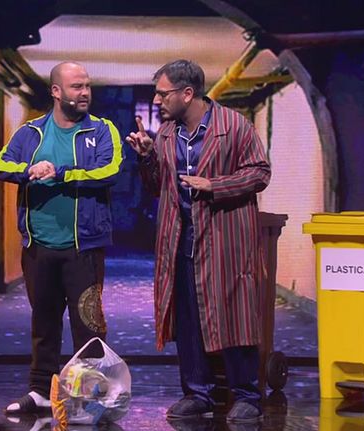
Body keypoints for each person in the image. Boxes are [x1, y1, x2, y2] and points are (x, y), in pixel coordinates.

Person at [126, 59, 271, 424]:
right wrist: (147, 157)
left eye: (163, 94)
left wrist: (215, 185)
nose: (157, 101)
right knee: (188, 319)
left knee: (233, 314)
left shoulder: (233, 126)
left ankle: (247, 395)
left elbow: (259, 172)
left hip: (224, 238)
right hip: (181, 238)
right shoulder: (166, 134)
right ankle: (197, 393)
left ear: (187, 93)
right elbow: (157, 187)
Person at [0, 61, 123, 414]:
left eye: (87, 86)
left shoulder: (102, 130)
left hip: (84, 247)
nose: (85, 93)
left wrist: (60, 173)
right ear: (56, 91)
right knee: (44, 322)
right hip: (39, 247)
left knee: (88, 326)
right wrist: (29, 170)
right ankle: (39, 392)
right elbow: (0, 165)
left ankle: (90, 397)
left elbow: (109, 170)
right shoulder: (30, 133)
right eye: (77, 86)